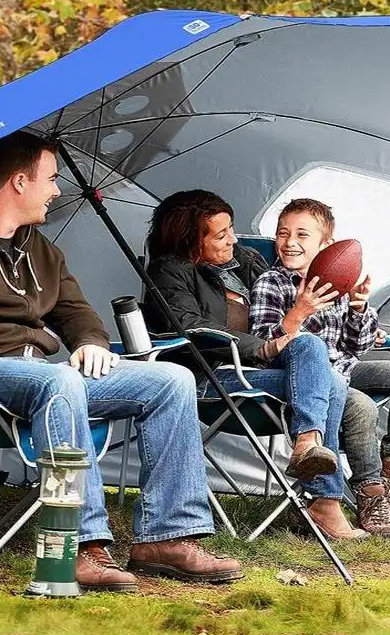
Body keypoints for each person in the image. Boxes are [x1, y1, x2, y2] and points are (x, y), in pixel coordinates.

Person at [0, 131, 242, 591]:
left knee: (170, 380)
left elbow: (75, 312)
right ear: (19, 182)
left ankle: (167, 537)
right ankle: (81, 546)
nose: (57, 190)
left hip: (39, 372)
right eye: (51, 179)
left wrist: (91, 341)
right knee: (61, 384)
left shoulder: (40, 249)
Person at [145, 190, 366, 541]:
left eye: (230, 229)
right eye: (221, 235)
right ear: (191, 240)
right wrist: (263, 347)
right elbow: (191, 327)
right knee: (326, 376)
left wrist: (337, 294)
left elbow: (279, 297)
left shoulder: (243, 260)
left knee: (320, 361)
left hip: (255, 373)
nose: (233, 238)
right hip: (211, 378)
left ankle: (309, 446)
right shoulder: (168, 273)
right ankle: (324, 498)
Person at [250, 198, 390, 539]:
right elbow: (262, 350)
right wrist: (299, 311)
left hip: (345, 366)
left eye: (303, 235)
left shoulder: (338, 282)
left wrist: (359, 306)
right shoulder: (270, 283)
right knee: (360, 406)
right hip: (305, 378)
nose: (290, 242)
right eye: (283, 233)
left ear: (325, 245)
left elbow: (356, 347)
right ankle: (369, 493)